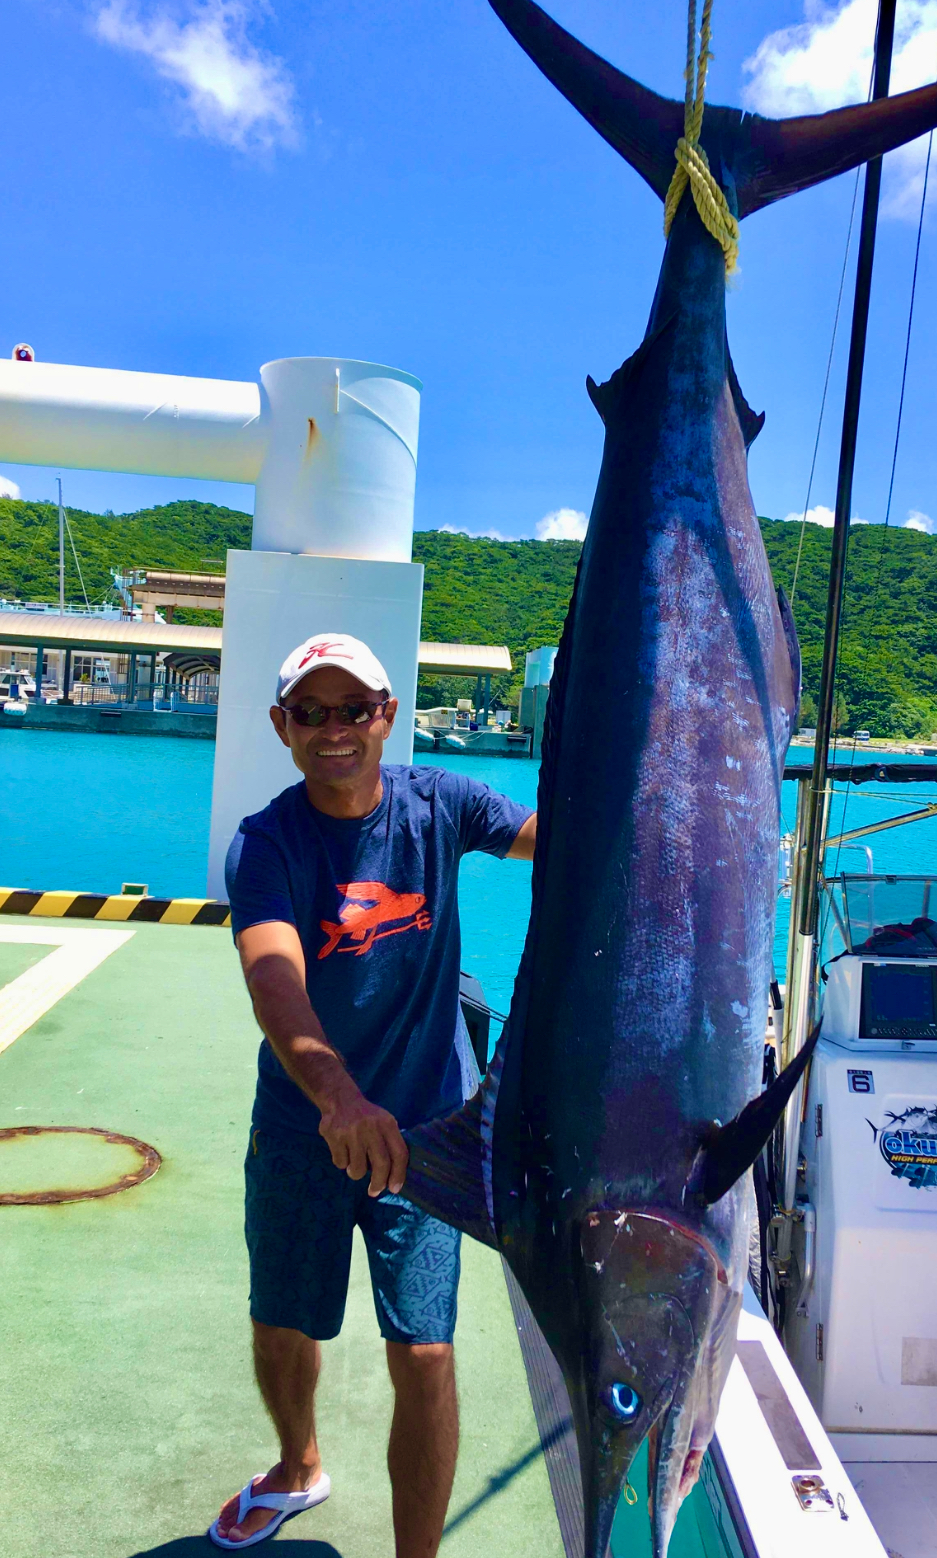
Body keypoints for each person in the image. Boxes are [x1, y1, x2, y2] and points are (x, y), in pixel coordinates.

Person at [209, 633, 536, 1552]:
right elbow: (274, 976)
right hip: (304, 1126)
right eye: (311, 712)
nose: (335, 729)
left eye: (354, 709)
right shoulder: (267, 843)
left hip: (427, 1135)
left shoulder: (444, 803)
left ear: (387, 716)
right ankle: (297, 1466)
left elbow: (561, 841)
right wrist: (337, 1097)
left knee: (425, 1352)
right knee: (282, 1324)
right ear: (282, 725)